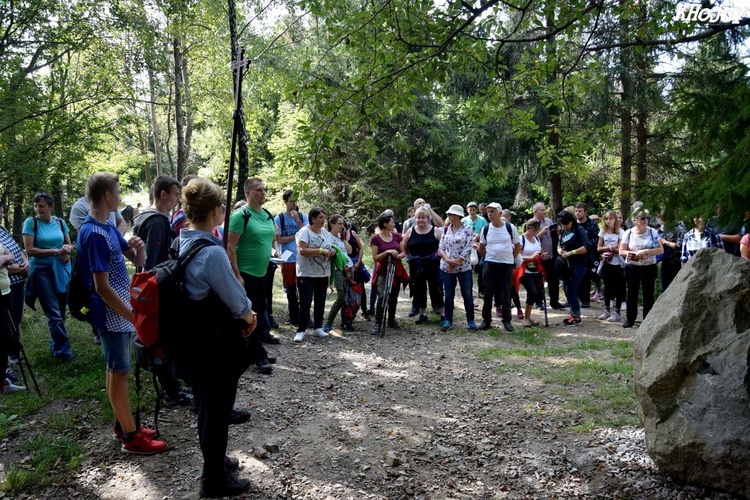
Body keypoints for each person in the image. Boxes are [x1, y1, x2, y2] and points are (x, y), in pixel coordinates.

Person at [176, 177, 257, 497]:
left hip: (191, 341)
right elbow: (237, 301)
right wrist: (250, 317)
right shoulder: (210, 253)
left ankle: (216, 460)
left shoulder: (180, 241)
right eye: (221, 205)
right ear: (213, 210)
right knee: (218, 411)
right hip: (214, 345)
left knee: (206, 407)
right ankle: (213, 479)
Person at [76, 172, 167, 454]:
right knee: (119, 372)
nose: (119, 197)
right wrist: (132, 316)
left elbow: (137, 261)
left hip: (121, 310)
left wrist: (138, 249)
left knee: (115, 368)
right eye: (117, 192)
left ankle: (122, 423)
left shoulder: (107, 227)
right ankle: (130, 437)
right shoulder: (92, 233)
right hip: (111, 313)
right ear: (106, 196)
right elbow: (101, 287)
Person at [132, 175, 193, 407]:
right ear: (163, 194)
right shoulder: (157, 221)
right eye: (176, 195)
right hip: (158, 287)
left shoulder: (144, 216)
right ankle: (171, 391)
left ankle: (173, 385)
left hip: (147, 285)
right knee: (163, 340)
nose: (178, 200)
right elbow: (154, 262)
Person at [226, 177, 278, 374]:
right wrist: (237, 274)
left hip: (263, 272)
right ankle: (259, 356)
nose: (263, 193)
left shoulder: (266, 215)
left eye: (264, 190)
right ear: (247, 193)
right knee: (251, 312)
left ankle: (251, 351)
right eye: (258, 190)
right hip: (246, 273)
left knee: (261, 307)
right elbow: (230, 246)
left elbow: (271, 240)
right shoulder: (241, 215)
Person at [22, 193, 74, 361]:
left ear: (51, 207)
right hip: (42, 271)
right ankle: (63, 352)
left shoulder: (60, 222)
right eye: (36, 206)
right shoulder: (31, 223)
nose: (38, 210)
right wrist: (54, 251)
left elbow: (69, 244)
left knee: (60, 309)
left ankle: (55, 342)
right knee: (53, 312)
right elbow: (29, 250)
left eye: (42, 206)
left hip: (61, 268)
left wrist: (66, 249)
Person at [295, 207, 336, 342]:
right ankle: (301, 330)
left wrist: (331, 252)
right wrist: (321, 251)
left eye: (324, 218)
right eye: (320, 218)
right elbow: (302, 250)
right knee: (305, 301)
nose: (323, 221)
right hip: (306, 273)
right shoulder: (304, 232)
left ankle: (318, 327)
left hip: (322, 273)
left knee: (320, 300)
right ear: (312, 219)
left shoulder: (324, 232)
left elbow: (330, 246)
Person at [478, 203, 520, 332]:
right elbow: (482, 248)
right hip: (490, 264)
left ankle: (507, 321)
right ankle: (486, 320)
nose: (490, 214)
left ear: (500, 213)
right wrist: (488, 259)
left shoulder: (510, 228)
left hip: (506, 264)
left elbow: (518, 246)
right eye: (488, 211)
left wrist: (510, 259)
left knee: (506, 292)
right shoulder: (485, 229)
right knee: (488, 293)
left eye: (493, 211)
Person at [620, 208, 663, 328]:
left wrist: (647, 251)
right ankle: (630, 319)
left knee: (648, 294)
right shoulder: (628, 233)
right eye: (642, 218)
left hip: (649, 267)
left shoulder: (652, 232)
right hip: (632, 267)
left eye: (647, 218)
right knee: (632, 293)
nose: (645, 220)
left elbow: (660, 249)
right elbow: (621, 251)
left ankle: (647, 320)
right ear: (634, 220)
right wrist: (635, 255)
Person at [403, 207, 444, 325]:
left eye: (423, 218)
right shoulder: (410, 231)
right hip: (417, 265)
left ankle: (442, 313)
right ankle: (423, 313)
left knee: (436, 289)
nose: (421, 220)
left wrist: (439, 257)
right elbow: (404, 245)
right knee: (419, 289)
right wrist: (408, 258)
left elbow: (443, 246)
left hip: (433, 265)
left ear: (428, 218)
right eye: (418, 218)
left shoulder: (436, 231)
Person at [0, 201, 29, 364]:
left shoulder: (3, 230)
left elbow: (16, 250)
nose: (3, 214)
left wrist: (26, 262)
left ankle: (14, 351)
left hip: (18, 282)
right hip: (7, 284)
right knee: (8, 321)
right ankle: (11, 354)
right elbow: (4, 265)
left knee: (16, 318)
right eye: (2, 211)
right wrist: (19, 269)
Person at [370, 212, 407, 335]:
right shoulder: (376, 238)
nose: (393, 223)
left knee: (394, 296)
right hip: (383, 271)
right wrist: (387, 252)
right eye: (391, 222)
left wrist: (397, 255)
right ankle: (378, 323)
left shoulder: (396, 236)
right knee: (383, 295)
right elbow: (375, 258)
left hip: (396, 270)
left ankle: (391, 319)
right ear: (385, 224)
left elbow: (403, 252)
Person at [275, 190, 308, 327]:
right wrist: (295, 235)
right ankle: (293, 316)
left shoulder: (303, 216)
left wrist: (298, 221)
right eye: (291, 201)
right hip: (288, 259)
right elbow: (279, 239)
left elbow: (307, 234)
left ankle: (304, 317)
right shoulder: (279, 218)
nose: (294, 204)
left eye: (295, 201)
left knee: (304, 289)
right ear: (285, 202)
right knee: (290, 288)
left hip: (303, 258)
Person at [556, 210, 590, 326]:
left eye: (566, 224)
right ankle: (572, 311)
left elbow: (586, 247)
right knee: (566, 288)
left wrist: (571, 252)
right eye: (563, 225)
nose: (565, 226)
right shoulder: (564, 230)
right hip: (567, 264)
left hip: (580, 263)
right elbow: (559, 244)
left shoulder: (580, 230)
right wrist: (560, 250)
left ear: (571, 221)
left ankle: (577, 316)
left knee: (571, 289)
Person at [0, 242, 24, 393]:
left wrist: (3, 259)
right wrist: (5, 259)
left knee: (6, 336)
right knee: (2, 335)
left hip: (5, 292)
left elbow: (11, 255)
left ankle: (2, 381)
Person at [531, 202, 565, 310]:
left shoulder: (549, 221)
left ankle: (554, 302)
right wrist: (541, 232)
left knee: (554, 280)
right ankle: (539, 302)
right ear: (535, 212)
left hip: (551, 256)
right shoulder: (531, 224)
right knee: (539, 281)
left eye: (544, 209)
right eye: (541, 210)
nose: (544, 211)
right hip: (539, 257)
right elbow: (530, 238)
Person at [323, 215, 353, 332]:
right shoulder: (328, 237)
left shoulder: (342, 237)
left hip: (348, 266)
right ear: (332, 224)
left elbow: (350, 251)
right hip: (338, 269)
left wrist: (344, 238)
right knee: (341, 297)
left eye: (342, 224)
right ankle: (329, 322)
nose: (341, 226)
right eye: (339, 224)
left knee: (348, 296)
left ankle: (345, 321)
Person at [516, 219, 546, 327]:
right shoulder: (521, 239)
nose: (536, 233)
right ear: (529, 228)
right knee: (532, 292)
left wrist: (542, 255)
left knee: (534, 294)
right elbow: (516, 256)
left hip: (536, 270)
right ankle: (526, 319)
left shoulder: (536, 238)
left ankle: (527, 318)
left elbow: (539, 251)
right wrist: (530, 257)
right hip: (525, 271)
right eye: (535, 230)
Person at [596, 210, 626, 322]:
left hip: (617, 263)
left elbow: (620, 248)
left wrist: (614, 248)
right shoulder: (603, 232)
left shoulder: (621, 232)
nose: (608, 221)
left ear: (615, 219)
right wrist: (609, 248)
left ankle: (617, 311)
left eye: (611, 218)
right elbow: (599, 248)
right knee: (607, 286)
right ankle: (607, 309)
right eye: (606, 219)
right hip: (605, 262)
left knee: (618, 287)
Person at [574, 203, 599, 309]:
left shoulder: (592, 224)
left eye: (580, 211)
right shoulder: (573, 224)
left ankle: (585, 300)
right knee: (575, 277)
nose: (577, 213)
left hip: (589, 255)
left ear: (585, 212)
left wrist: (587, 244)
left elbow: (598, 238)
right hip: (575, 254)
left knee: (586, 278)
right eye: (576, 211)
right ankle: (575, 298)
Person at [657, 211, 686, 291]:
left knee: (677, 287)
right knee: (665, 287)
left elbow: (679, 245)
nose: (661, 222)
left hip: (677, 262)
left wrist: (665, 242)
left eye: (662, 220)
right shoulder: (662, 229)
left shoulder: (680, 229)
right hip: (666, 261)